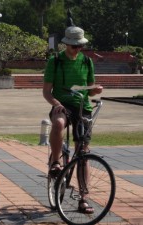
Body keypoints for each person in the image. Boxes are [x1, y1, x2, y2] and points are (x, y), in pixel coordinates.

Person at [43, 26, 103, 214]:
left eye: (79, 46)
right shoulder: (55, 61)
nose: (77, 49)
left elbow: (89, 89)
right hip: (62, 105)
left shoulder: (87, 62)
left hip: (81, 107)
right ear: (66, 44)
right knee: (59, 123)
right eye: (74, 46)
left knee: (83, 153)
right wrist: (56, 103)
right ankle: (55, 162)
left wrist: (96, 90)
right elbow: (46, 91)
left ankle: (83, 198)